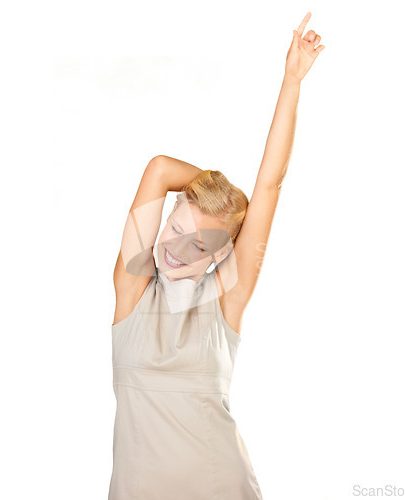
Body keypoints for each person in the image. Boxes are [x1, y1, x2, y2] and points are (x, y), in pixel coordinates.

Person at [108, 12, 324, 499]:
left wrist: (291, 82)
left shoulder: (227, 297)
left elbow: (269, 184)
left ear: (218, 257)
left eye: (197, 245)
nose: (175, 248)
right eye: (174, 228)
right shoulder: (132, 285)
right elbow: (160, 168)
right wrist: (211, 195)